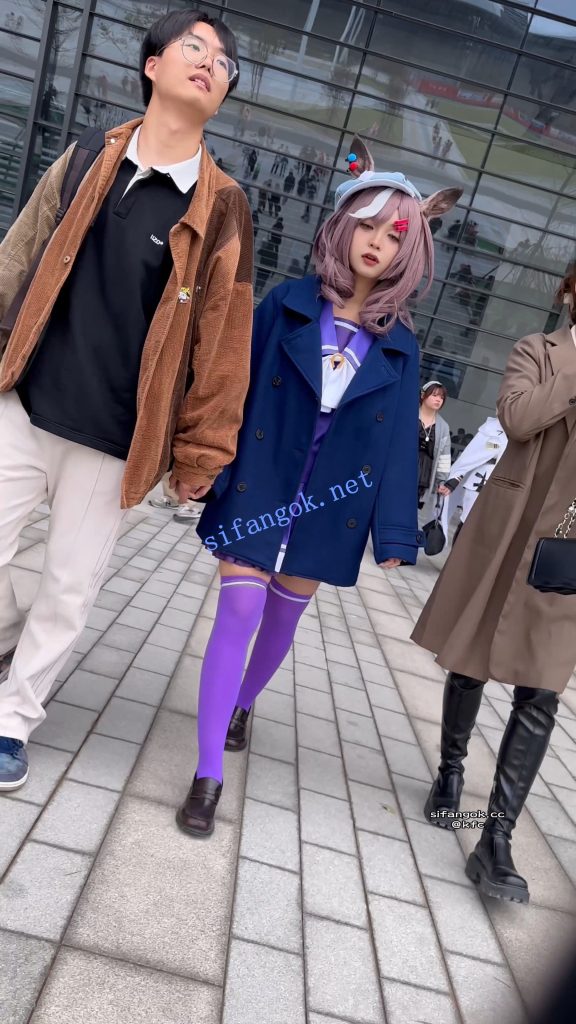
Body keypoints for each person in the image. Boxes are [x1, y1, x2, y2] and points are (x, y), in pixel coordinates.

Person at [175, 135, 461, 837]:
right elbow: (230, 387)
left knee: (281, 622)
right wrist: (203, 463)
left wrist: (394, 534)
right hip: (261, 483)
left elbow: (398, 446)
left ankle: (244, 702)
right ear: (341, 225)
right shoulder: (287, 304)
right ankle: (207, 773)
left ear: (409, 252)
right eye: (366, 226)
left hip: (331, 505)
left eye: (394, 235)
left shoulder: (401, 345)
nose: (377, 243)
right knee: (238, 612)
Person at [0, 9, 254, 792]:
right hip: (25, 402)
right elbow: (16, 258)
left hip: (116, 438)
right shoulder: (86, 160)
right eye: (194, 47)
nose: (210, 62)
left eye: (224, 61)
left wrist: (202, 451)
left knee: (68, 588)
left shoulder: (222, 206)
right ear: (152, 66)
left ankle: (13, 721)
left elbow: (224, 339)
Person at [412, 268, 576, 904]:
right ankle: (450, 774)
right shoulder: (538, 351)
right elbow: (519, 418)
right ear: (570, 294)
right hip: (506, 530)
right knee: (471, 659)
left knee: (542, 688)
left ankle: (495, 839)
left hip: (566, 546)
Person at [440, 415, 507, 544]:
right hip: (480, 482)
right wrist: (454, 480)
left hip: (503, 488)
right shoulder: (491, 428)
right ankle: (456, 554)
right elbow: (476, 451)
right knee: (467, 522)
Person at [418, 382, 451, 515]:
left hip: (423, 475)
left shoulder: (443, 426)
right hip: (400, 468)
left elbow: (444, 457)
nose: (438, 400)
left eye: (442, 397)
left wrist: (442, 481)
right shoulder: (409, 415)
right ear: (423, 395)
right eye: (434, 395)